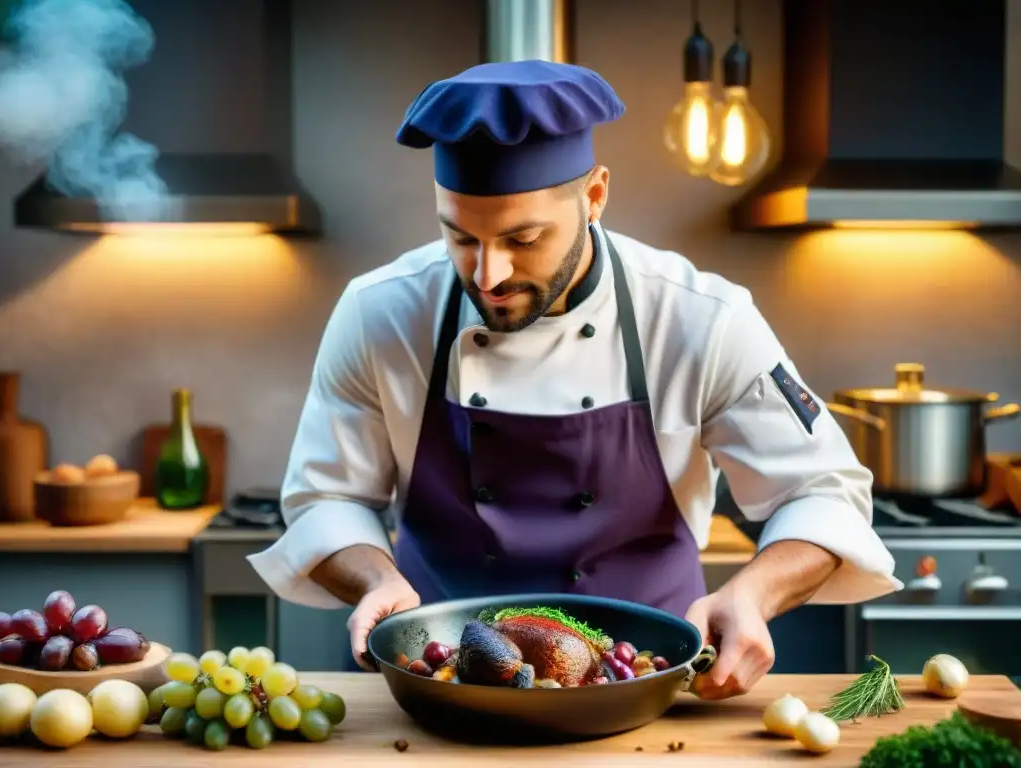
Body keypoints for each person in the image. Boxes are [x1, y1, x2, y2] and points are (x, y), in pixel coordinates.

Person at [248, 59, 901, 700]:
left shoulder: (700, 317)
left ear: (594, 197)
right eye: (460, 238)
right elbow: (325, 499)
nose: (487, 275)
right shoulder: (381, 312)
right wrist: (373, 581)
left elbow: (824, 494)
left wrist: (752, 594)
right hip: (441, 683)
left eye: (523, 238)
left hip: (644, 684)